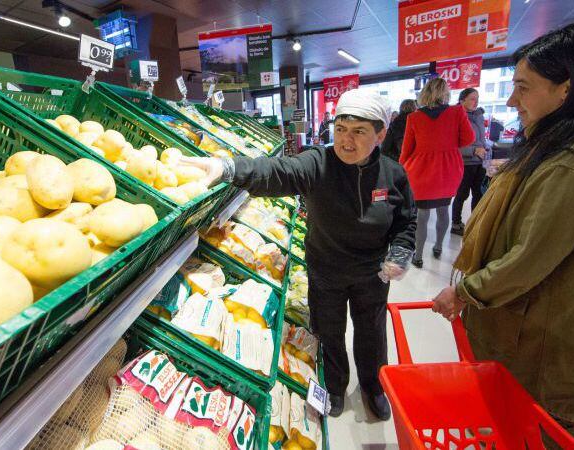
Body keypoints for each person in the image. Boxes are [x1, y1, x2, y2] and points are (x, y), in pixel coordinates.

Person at [432, 23, 574, 449]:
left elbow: (528, 259)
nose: (512, 101)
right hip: (568, 332)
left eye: (524, 88)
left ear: (568, 90)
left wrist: (466, 291)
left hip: (550, 348)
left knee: (543, 435)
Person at [182, 89, 417, 420]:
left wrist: (401, 254)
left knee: (372, 331)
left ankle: (374, 386)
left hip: (372, 273)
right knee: (329, 330)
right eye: (340, 130)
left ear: (380, 133)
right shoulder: (319, 163)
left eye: (359, 132)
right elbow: (279, 171)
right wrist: (228, 168)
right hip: (327, 269)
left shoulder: (393, 175)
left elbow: (406, 221)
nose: (346, 141)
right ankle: (335, 387)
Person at [400, 78, 474, 268]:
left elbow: (406, 150)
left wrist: (401, 171)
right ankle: (439, 247)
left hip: (421, 172)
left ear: (425, 93)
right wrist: (448, 143)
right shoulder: (457, 112)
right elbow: (468, 139)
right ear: (445, 93)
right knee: (443, 211)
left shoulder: (414, 118)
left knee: (422, 216)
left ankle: (418, 255)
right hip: (448, 170)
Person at [451, 88, 488, 235]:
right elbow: (454, 144)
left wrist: (484, 149)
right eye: (472, 98)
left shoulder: (478, 115)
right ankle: (455, 223)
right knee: (461, 194)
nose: (476, 102)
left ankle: (474, 223)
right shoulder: (456, 117)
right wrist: (473, 150)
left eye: (477, 98)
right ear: (462, 100)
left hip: (480, 162)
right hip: (465, 164)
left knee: (479, 194)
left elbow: (481, 139)